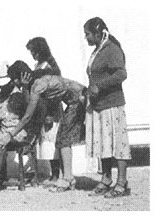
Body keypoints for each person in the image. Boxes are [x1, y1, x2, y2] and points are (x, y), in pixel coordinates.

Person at [0, 60, 86, 192]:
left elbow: (27, 116)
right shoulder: (35, 83)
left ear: (22, 76)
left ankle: (68, 179)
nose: (14, 83)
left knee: (63, 139)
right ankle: (68, 178)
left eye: (14, 79)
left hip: (79, 100)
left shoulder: (38, 85)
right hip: (75, 100)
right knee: (63, 139)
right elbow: (32, 108)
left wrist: (10, 135)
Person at [83, 17, 131, 198]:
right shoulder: (98, 50)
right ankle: (106, 178)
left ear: (97, 33)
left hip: (112, 104)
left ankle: (122, 182)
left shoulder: (111, 49)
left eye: (87, 34)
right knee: (103, 144)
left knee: (118, 144)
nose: (86, 38)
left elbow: (121, 73)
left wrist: (100, 86)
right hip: (98, 105)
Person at [26, 37, 63, 185]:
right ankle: (54, 174)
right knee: (46, 144)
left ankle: (56, 174)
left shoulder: (50, 67)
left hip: (51, 107)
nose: (33, 55)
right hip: (42, 107)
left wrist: (50, 113)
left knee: (52, 142)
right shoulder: (38, 65)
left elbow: (55, 90)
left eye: (34, 51)